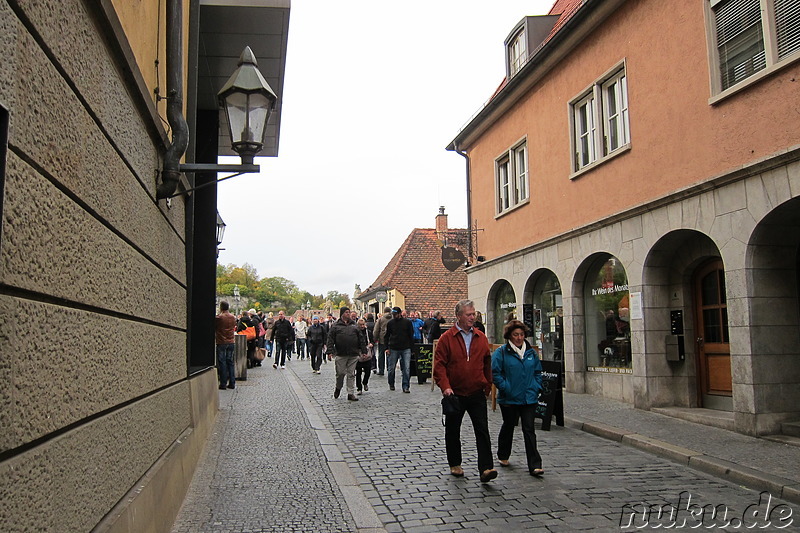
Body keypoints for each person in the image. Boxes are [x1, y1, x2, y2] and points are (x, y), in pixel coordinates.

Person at [433, 299, 496, 483]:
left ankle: (486, 468)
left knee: (482, 430)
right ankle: (455, 463)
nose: (472, 317)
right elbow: (439, 366)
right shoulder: (447, 338)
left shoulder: (480, 337)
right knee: (453, 430)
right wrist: (445, 387)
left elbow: (486, 362)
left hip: (476, 392)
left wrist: (487, 384)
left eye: (473, 313)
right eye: (468, 314)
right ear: (458, 316)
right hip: (455, 393)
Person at [492, 320, 544, 476]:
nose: (519, 338)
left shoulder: (531, 353)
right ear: (510, 336)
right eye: (516, 335)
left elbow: (537, 372)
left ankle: (535, 465)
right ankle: (503, 454)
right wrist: (506, 388)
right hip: (509, 398)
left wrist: (536, 387)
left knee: (529, 429)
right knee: (509, 425)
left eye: (521, 334)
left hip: (528, 397)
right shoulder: (501, 352)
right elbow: (496, 373)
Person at [327, 307, 366, 401]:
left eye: (349, 312)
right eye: (346, 312)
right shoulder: (336, 326)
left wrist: (363, 351)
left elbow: (361, 338)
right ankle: (338, 387)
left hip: (353, 353)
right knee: (340, 373)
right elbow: (330, 339)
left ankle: (350, 393)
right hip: (341, 353)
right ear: (342, 314)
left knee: (351, 374)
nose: (348, 314)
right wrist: (329, 351)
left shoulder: (354, 325)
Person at [384, 306, 414, 392]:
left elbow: (411, 335)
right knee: (391, 368)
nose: (394, 316)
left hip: (406, 347)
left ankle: (406, 386)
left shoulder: (407, 322)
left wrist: (412, 349)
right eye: (393, 314)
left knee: (406, 368)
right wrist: (386, 348)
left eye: (395, 314)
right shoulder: (390, 323)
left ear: (400, 314)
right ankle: (391, 383)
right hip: (393, 347)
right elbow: (387, 336)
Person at [215, 300, 237, 390]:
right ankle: (232, 382)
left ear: (221, 308)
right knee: (230, 362)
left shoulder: (219, 317)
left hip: (222, 342)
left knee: (222, 363)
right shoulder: (233, 317)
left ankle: (223, 383)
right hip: (231, 341)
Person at [355, 318, 373, 394]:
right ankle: (359, 388)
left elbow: (372, 339)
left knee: (368, 371)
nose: (362, 326)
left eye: (363, 324)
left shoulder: (368, 332)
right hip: (358, 353)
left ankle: (365, 382)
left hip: (367, 352)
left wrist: (371, 344)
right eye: (360, 325)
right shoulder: (355, 332)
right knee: (358, 372)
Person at [372, 307, 392, 375]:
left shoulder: (381, 319)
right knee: (390, 355)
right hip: (391, 339)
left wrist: (374, 339)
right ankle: (390, 369)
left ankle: (381, 370)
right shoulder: (393, 318)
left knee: (381, 355)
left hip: (382, 339)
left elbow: (376, 330)